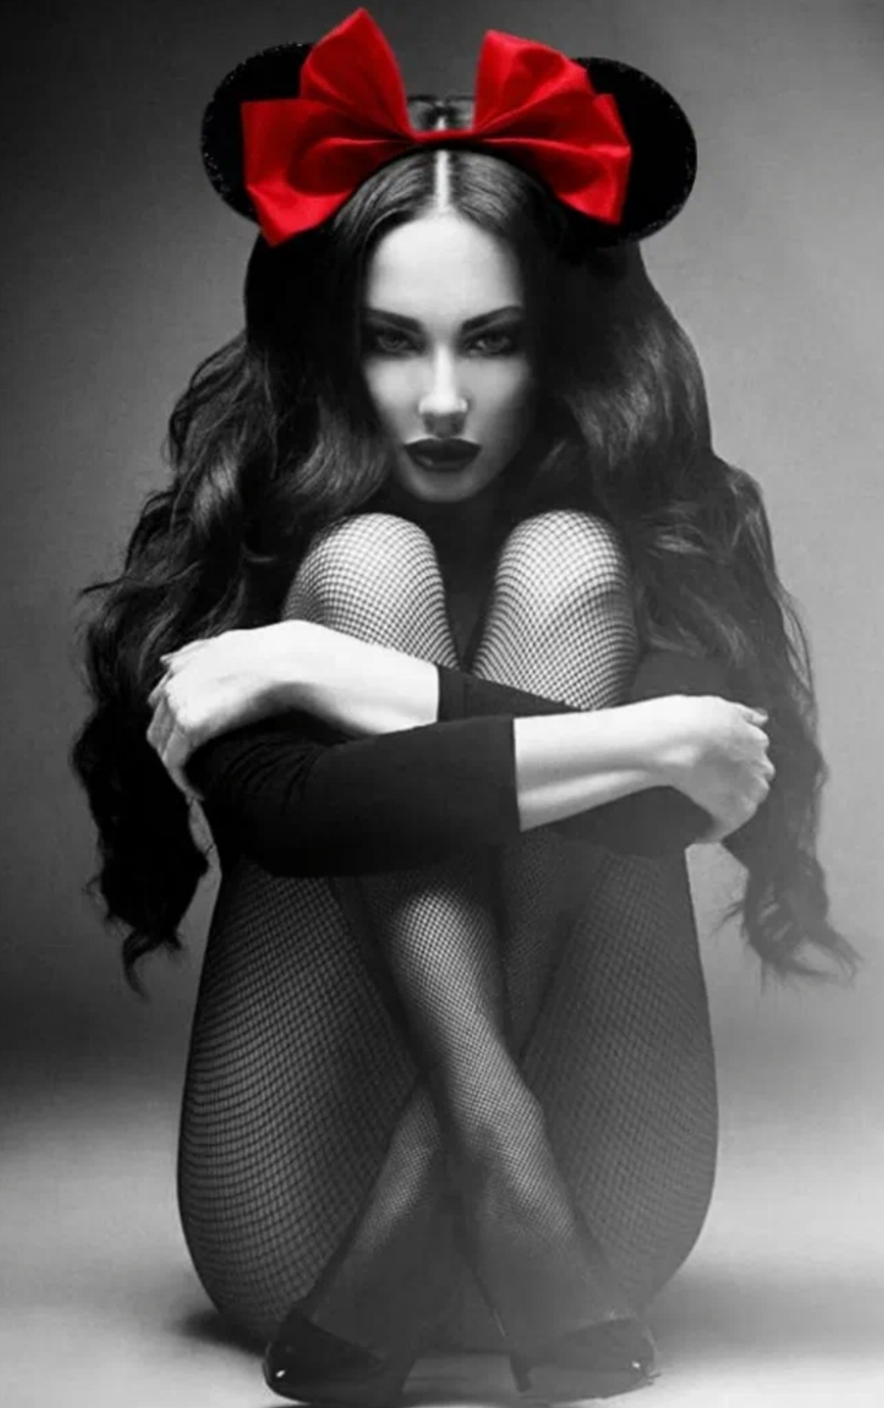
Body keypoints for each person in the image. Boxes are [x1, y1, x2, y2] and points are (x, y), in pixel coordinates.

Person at [71, 9, 856, 1405]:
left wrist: (320, 672)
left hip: (603, 1206)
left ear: (562, 347)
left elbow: (687, 803)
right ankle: (497, 1145)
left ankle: (474, 1163)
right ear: (333, 347)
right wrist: (634, 739)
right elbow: (300, 816)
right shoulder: (275, 541)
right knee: (368, 565)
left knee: (571, 566)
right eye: (393, 343)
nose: (441, 400)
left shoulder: (643, 541)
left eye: (491, 341)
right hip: (297, 1218)